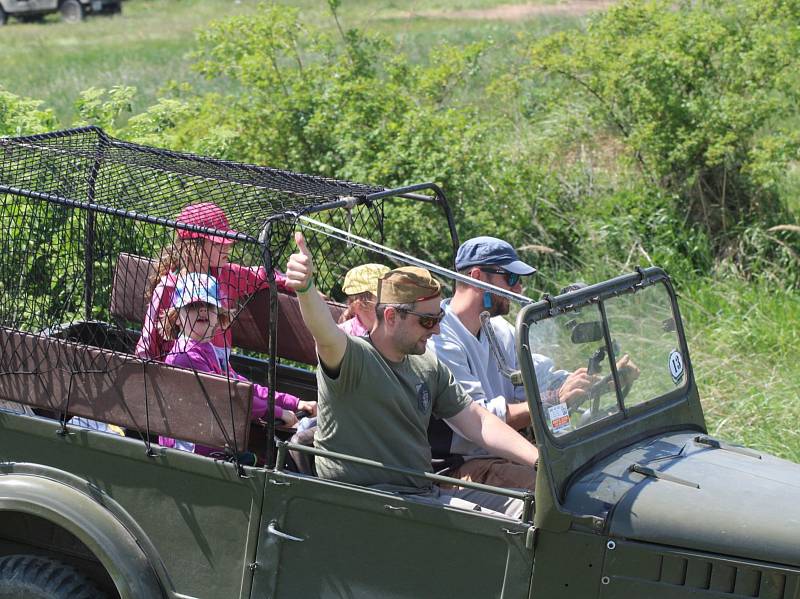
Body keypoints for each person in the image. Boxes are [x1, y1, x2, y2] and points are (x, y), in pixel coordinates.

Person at [284, 232, 538, 519]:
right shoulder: (353, 358)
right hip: (365, 505)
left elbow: (477, 420)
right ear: (391, 316)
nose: (437, 330)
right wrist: (305, 289)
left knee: (536, 513)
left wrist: (538, 460)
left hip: (420, 497)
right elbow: (324, 332)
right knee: (506, 535)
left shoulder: (428, 365)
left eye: (439, 319)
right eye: (427, 321)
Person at [427, 237, 600, 489]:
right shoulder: (439, 340)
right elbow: (480, 418)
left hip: (506, 454)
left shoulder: (498, 328)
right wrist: (554, 398)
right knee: (561, 491)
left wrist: (589, 381)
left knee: (588, 471)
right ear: (477, 276)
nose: (518, 288)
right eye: (511, 278)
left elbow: (537, 376)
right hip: (462, 466)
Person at [158, 272, 316, 456]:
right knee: (259, 461)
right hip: (190, 451)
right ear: (177, 317)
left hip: (213, 443)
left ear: (219, 316)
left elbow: (245, 388)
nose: (202, 311)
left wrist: (293, 402)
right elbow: (231, 398)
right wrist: (276, 412)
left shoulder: (209, 351)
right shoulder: (185, 356)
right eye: (192, 306)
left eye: (208, 306)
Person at [135, 202, 293, 367]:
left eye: (226, 241)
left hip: (220, 374)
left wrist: (296, 283)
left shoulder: (226, 275)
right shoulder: (169, 288)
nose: (227, 247)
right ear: (192, 245)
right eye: (217, 243)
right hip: (180, 375)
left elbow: (262, 275)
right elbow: (146, 349)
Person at [337, 263, 390, 336]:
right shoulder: (344, 336)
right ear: (358, 305)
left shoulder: (394, 329)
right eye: (384, 304)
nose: (392, 308)